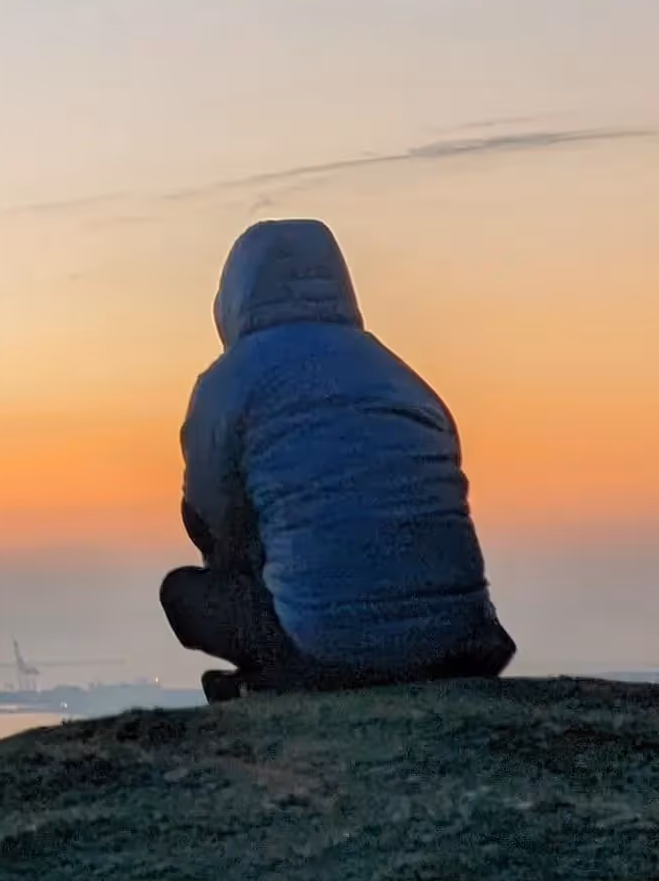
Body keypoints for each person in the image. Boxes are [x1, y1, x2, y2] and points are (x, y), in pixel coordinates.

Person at [160, 218, 515, 697]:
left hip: (334, 655)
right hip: (467, 647)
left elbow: (209, 514)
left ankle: (279, 675)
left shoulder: (229, 382)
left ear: (233, 298)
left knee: (185, 594)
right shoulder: (402, 378)